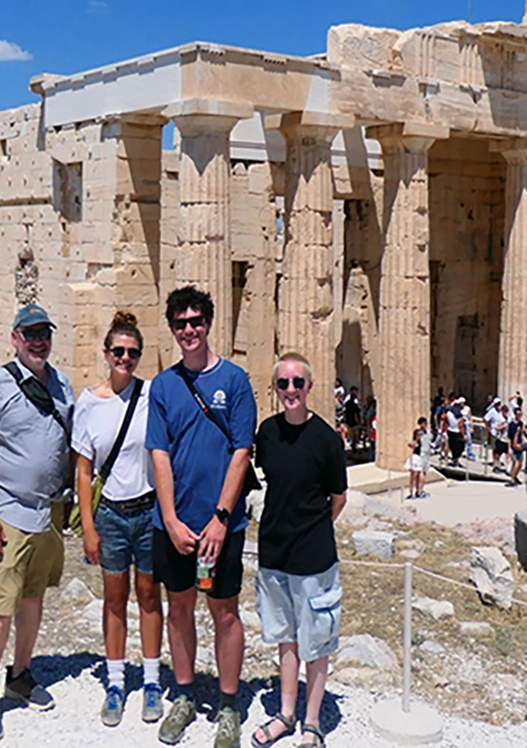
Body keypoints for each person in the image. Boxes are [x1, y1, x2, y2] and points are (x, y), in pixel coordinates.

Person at [146, 286, 258, 748]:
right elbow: (159, 453)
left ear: (208, 324)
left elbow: (241, 451)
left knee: (225, 611)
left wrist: (219, 517)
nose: (189, 330)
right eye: (180, 323)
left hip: (221, 526)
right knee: (178, 608)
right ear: (172, 329)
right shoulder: (164, 385)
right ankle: (186, 694)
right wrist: (170, 519)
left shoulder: (234, 380)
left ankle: (229, 705)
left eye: (195, 321)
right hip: (174, 525)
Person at [0, 304, 74, 741]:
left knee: (33, 598)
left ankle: (21, 673)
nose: (38, 341)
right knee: (1, 602)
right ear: (14, 338)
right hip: (10, 512)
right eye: (29, 334)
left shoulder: (62, 383)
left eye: (43, 334)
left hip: (48, 513)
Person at [249, 353, 347, 748]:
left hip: (314, 554)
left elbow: (337, 498)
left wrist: (312, 528)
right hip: (274, 551)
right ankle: (285, 715)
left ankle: (312, 723)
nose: (290, 390)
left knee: (317, 642)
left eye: (297, 382)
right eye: (283, 384)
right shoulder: (267, 434)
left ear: (310, 387)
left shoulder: (326, 438)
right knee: (286, 639)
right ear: (275, 389)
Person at [72, 311, 164, 727]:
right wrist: (88, 528)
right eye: (119, 351)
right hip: (109, 513)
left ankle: (150, 682)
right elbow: (83, 470)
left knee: (148, 596)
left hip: (147, 510)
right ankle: (114, 683)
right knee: (113, 600)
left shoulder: (151, 395)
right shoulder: (89, 402)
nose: (125, 358)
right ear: (106, 354)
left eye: (133, 352)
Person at [407, 418, 432, 499]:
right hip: (420, 455)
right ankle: (418, 491)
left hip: (426, 454)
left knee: (422, 473)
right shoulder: (418, 433)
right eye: (423, 423)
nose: (425, 425)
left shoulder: (428, 433)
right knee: (419, 473)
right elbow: (413, 443)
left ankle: (419, 490)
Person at [444, 395, 465, 464]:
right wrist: (464, 434)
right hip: (457, 432)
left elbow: (445, 422)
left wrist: (444, 430)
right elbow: (461, 425)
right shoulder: (460, 415)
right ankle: (455, 460)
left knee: (453, 447)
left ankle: (454, 460)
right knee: (460, 447)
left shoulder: (449, 413)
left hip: (450, 431)